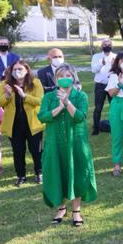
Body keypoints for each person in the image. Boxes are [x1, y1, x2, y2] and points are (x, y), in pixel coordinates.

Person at [38, 64, 96, 227]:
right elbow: (42, 117)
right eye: (61, 76)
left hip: (75, 142)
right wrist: (60, 107)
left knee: (76, 173)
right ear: (56, 79)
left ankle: (76, 211)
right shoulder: (49, 97)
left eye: (68, 75)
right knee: (58, 172)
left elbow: (79, 117)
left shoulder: (81, 96)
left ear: (73, 77)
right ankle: (61, 208)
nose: (65, 78)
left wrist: (67, 102)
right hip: (55, 142)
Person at [0, 59, 44, 186]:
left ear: (27, 70)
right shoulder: (5, 84)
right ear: (11, 72)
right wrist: (7, 95)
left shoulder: (35, 82)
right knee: (18, 150)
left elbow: (40, 101)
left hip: (33, 123)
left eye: (20, 69)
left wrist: (24, 96)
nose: (17, 72)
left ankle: (39, 172)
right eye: (15, 70)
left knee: (36, 150)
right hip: (14, 124)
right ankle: (21, 175)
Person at [90, 39, 115, 135]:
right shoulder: (96, 56)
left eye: (109, 44)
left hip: (111, 86)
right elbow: (93, 70)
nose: (107, 46)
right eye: (105, 44)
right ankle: (96, 128)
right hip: (100, 85)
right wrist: (101, 63)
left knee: (113, 108)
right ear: (102, 46)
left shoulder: (115, 57)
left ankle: (115, 126)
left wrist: (114, 65)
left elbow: (119, 71)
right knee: (98, 108)